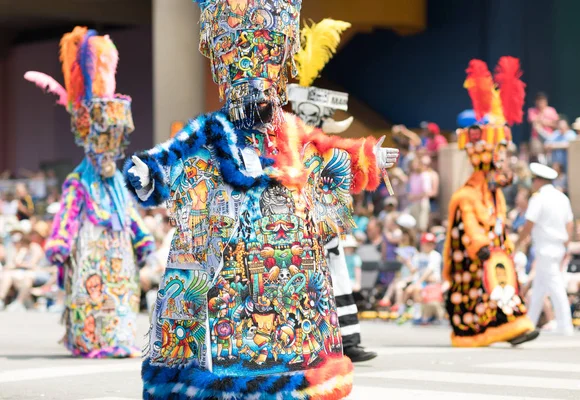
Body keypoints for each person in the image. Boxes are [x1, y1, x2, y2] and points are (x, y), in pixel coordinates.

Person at [125, 2, 398, 398]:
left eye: (263, 90)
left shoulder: (290, 131)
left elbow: (329, 152)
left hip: (291, 265)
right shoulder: (212, 129)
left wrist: (368, 157)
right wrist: (149, 171)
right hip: (228, 262)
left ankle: (289, 378)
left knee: (291, 337)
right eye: (244, 89)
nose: (255, 98)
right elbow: (173, 156)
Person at [26, 27, 155, 357]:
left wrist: (143, 242)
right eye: (103, 150)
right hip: (90, 247)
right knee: (92, 289)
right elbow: (68, 215)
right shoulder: (78, 182)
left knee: (120, 290)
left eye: (113, 151)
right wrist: (60, 244)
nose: (108, 157)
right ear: (90, 149)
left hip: (119, 252)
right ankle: (90, 339)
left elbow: (129, 214)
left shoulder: (117, 185)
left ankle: (120, 338)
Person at [287, 18, 376, 363]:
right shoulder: (296, 149)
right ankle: (322, 343)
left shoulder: (327, 151)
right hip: (305, 226)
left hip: (329, 225)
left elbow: (348, 179)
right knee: (317, 283)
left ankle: (347, 341)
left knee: (339, 279)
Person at [445, 57, 538, 347]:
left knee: (502, 287)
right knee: (480, 293)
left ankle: (513, 326)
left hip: (494, 256)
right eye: (497, 158)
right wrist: (482, 248)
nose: (503, 166)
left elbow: (499, 220)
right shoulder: (466, 195)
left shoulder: (494, 192)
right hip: (476, 260)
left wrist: (503, 245)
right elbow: (471, 227)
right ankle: (489, 331)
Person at [515, 163, 574, 336]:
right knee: (540, 287)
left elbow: (529, 223)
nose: (533, 183)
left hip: (546, 246)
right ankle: (530, 323)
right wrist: (566, 242)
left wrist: (519, 242)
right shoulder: (562, 197)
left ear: (540, 181)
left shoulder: (538, 198)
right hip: (557, 246)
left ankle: (565, 325)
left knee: (555, 286)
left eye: (534, 180)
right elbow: (569, 223)